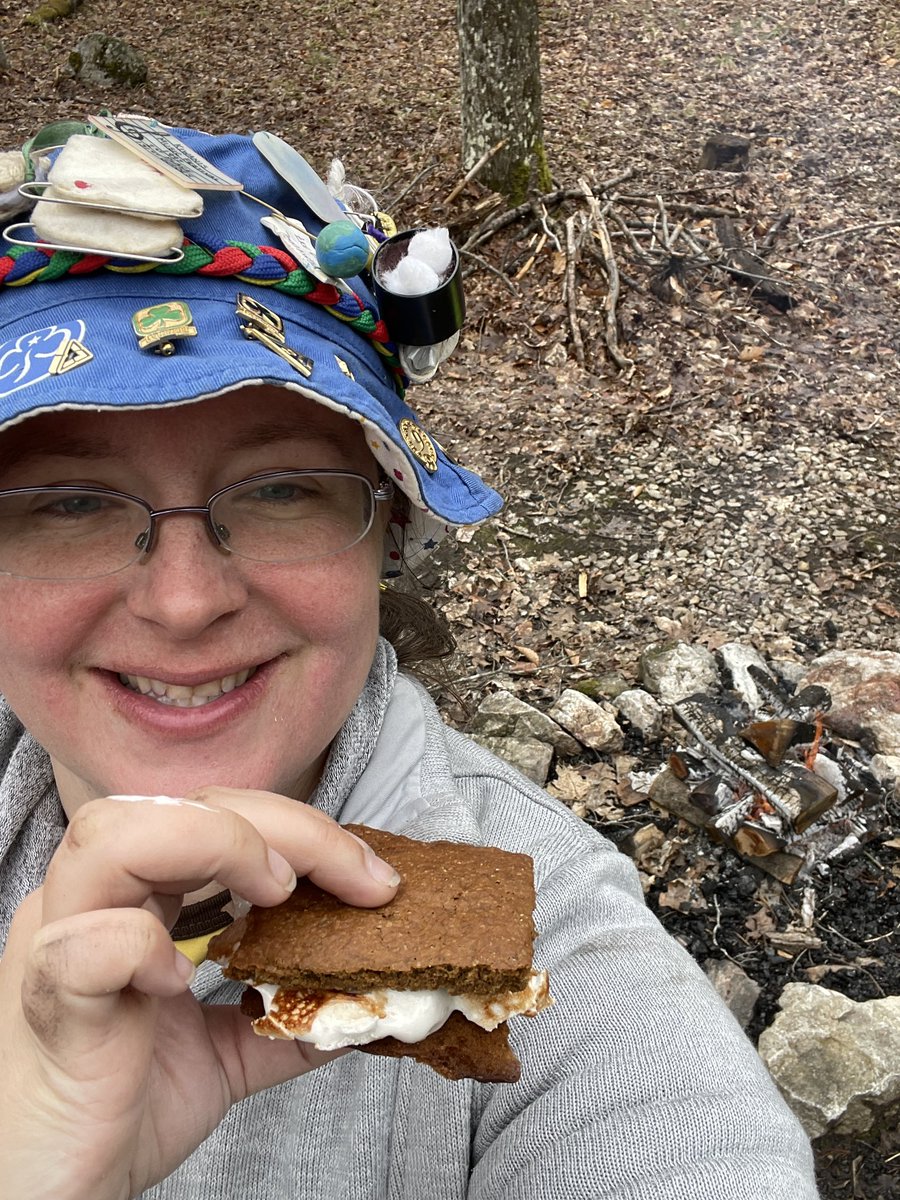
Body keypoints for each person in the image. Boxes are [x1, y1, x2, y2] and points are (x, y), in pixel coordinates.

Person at [0, 119, 819, 1200]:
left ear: (389, 531)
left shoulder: (550, 944)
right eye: (70, 503)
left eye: (283, 488)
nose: (187, 601)